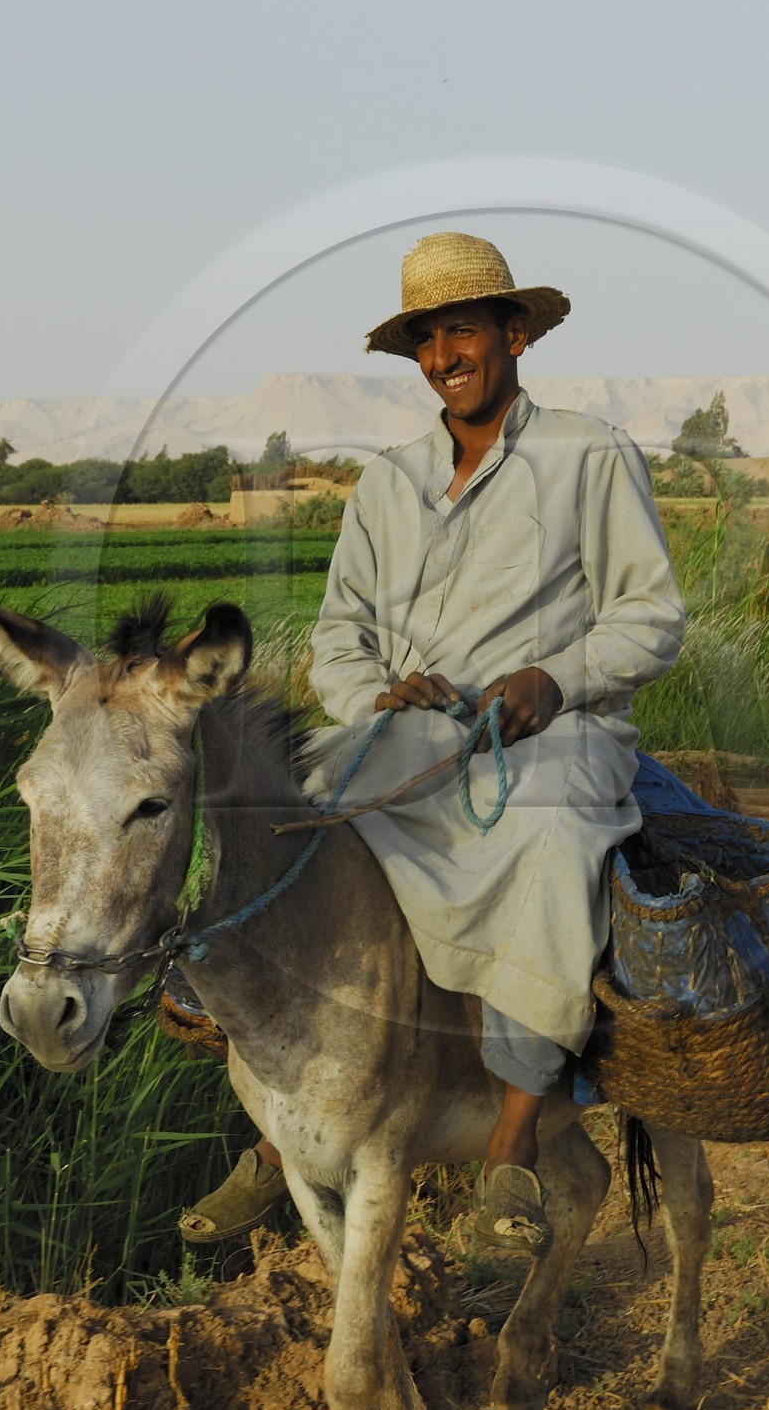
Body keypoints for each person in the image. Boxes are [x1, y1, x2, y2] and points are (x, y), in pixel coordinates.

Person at [178, 230, 686, 1254]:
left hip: (550, 737)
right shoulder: (385, 484)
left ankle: (508, 1149)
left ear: (513, 334)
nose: (443, 356)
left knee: (548, 846)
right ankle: (277, 1131)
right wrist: (373, 694)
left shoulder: (586, 454)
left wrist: (554, 680)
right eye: (425, 339)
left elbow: (652, 615)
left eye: (461, 331)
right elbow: (337, 636)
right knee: (277, 820)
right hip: (404, 734)